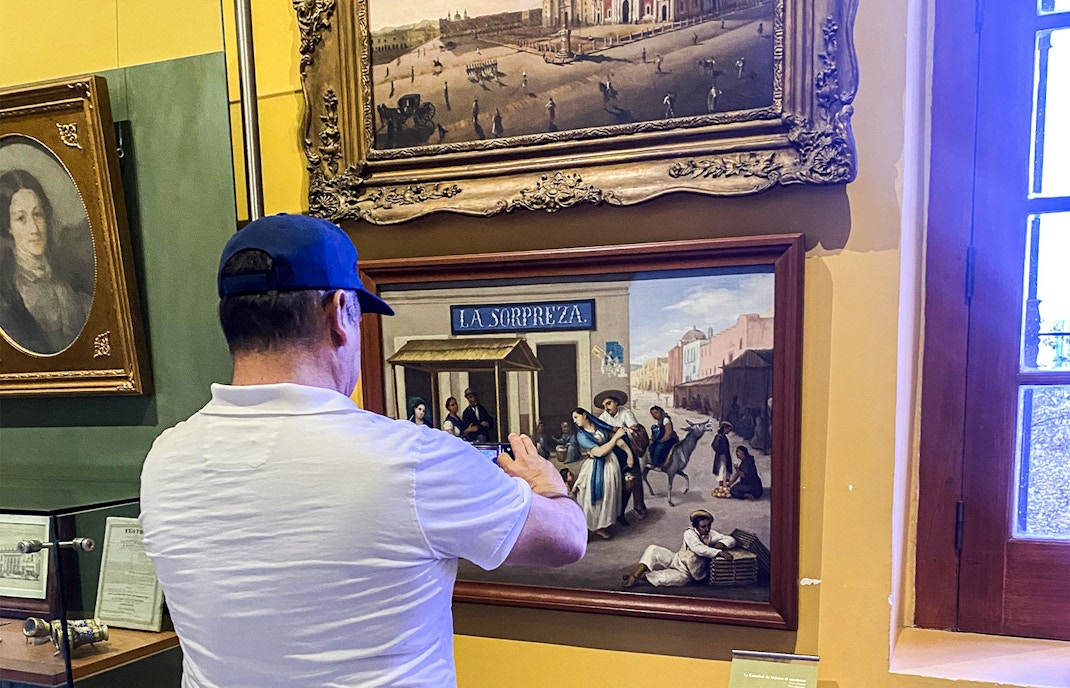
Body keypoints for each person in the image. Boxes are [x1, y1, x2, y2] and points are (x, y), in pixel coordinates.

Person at [139, 213, 586, 688]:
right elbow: (566, 540)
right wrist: (546, 485)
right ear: (338, 314)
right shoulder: (411, 461)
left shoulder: (164, 459)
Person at [0, 169, 93, 355]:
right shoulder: (6, 294)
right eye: (21, 218)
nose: (34, 228)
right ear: (8, 226)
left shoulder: (70, 279)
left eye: (38, 214)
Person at [621, 509, 736, 588]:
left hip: (688, 572)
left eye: (708, 526)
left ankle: (640, 575)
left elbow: (731, 539)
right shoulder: (689, 533)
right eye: (703, 526)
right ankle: (636, 575)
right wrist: (718, 552)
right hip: (676, 559)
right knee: (653, 549)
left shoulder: (710, 534)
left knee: (661, 579)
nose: (706, 529)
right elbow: (698, 548)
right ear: (695, 526)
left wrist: (722, 543)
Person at [570, 407, 630, 538]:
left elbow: (618, 440)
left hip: (610, 465)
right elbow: (599, 452)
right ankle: (586, 528)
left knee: (608, 496)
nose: (575, 421)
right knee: (588, 498)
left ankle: (601, 526)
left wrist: (629, 454)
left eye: (576, 417)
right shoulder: (581, 436)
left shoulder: (599, 427)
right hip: (594, 466)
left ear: (584, 415)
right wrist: (615, 439)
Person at [596, 390, 647, 520]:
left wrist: (625, 432)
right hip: (614, 453)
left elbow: (635, 431)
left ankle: (639, 508)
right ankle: (618, 514)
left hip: (628, 451)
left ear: (616, 403)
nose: (606, 408)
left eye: (609, 404)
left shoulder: (626, 413)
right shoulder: (604, 417)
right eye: (604, 405)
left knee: (633, 480)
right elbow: (600, 433)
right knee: (616, 482)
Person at [648, 405, 678, 469]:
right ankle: (652, 461)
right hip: (662, 439)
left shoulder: (666, 419)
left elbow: (668, 433)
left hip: (670, 440)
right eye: (652, 414)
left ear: (660, 411)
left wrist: (660, 441)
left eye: (656, 413)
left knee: (659, 447)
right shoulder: (659, 421)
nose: (654, 415)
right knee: (651, 446)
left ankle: (658, 464)